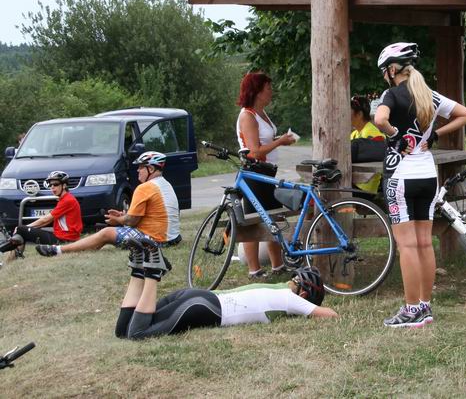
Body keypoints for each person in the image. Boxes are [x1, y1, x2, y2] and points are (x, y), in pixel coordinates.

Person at [373, 42, 466, 327]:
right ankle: (425, 306)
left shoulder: (391, 94)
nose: (384, 76)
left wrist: (395, 135)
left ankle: (411, 309)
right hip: (428, 175)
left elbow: (380, 119)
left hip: (400, 177)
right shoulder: (428, 94)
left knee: (407, 245)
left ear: (392, 69)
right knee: (424, 243)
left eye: (384, 71)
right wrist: (436, 135)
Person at [114, 238, 336, 340]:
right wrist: (309, 309)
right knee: (138, 333)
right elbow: (331, 315)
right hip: (202, 306)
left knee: (124, 331)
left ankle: (138, 269)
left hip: (197, 297)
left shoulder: (277, 287)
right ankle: (153, 272)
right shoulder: (289, 299)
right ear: (304, 295)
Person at [35, 151, 178, 257]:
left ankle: (58, 250)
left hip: (155, 241)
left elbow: (131, 221)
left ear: (151, 169)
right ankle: (82, 247)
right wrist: (123, 215)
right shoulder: (165, 184)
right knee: (108, 233)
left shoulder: (145, 187)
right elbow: (150, 215)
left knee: (106, 233)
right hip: (171, 239)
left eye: (141, 167)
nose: (138, 170)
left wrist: (118, 220)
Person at [236, 71, 297, 279]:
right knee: (253, 221)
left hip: (268, 171)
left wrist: (280, 139)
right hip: (254, 173)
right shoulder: (248, 115)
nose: (271, 92)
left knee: (274, 216)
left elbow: (265, 140)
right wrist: (280, 142)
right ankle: (254, 270)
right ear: (257, 91)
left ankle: (278, 265)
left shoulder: (262, 113)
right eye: (268, 88)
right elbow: (254, 151)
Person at [0, 171, 82, 253]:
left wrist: (25, 227)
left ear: (64, 185)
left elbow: (45, 220)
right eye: (50, 185)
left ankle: (5, 249)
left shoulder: (67, 200)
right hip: (64, 237)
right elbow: (47, 221)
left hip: (64, 240)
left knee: (21, 230)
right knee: (21, 233)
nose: (52, 187)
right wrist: (26, 229)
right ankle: (12, 251)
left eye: (56, 184)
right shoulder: (65, 199)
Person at [350, 95, 385, 195]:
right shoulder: (354, 133)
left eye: (349, 112)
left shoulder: (372, 133)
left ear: (359, 114)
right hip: (355, 181)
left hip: (365, 187)